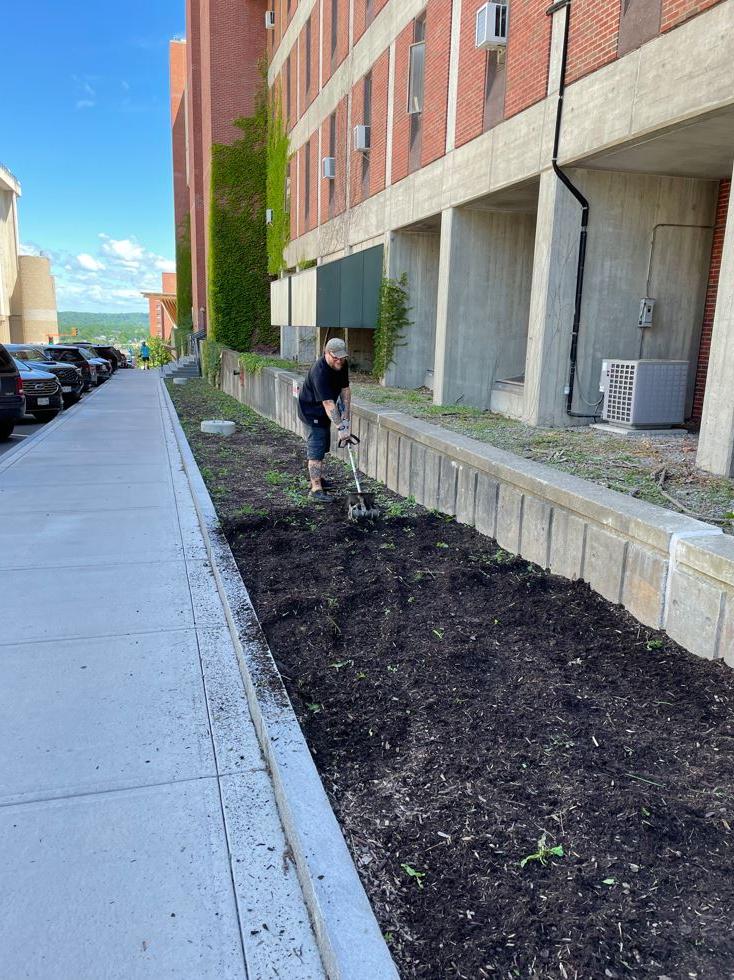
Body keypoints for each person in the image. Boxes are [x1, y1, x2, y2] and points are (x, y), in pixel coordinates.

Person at [297, 337, 352, 502]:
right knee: (316, 448)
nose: (339, 361)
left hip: (326, 411)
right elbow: (328, 403)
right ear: (326, 353)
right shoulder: (319, 372)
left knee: (323, 445)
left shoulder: (341, 364)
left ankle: (319, 479)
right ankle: (315, 489)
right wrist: (341, 428)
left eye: (342, 357)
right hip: (312, 411)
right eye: (336, 357)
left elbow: (345, 390)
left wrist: (346, 418)